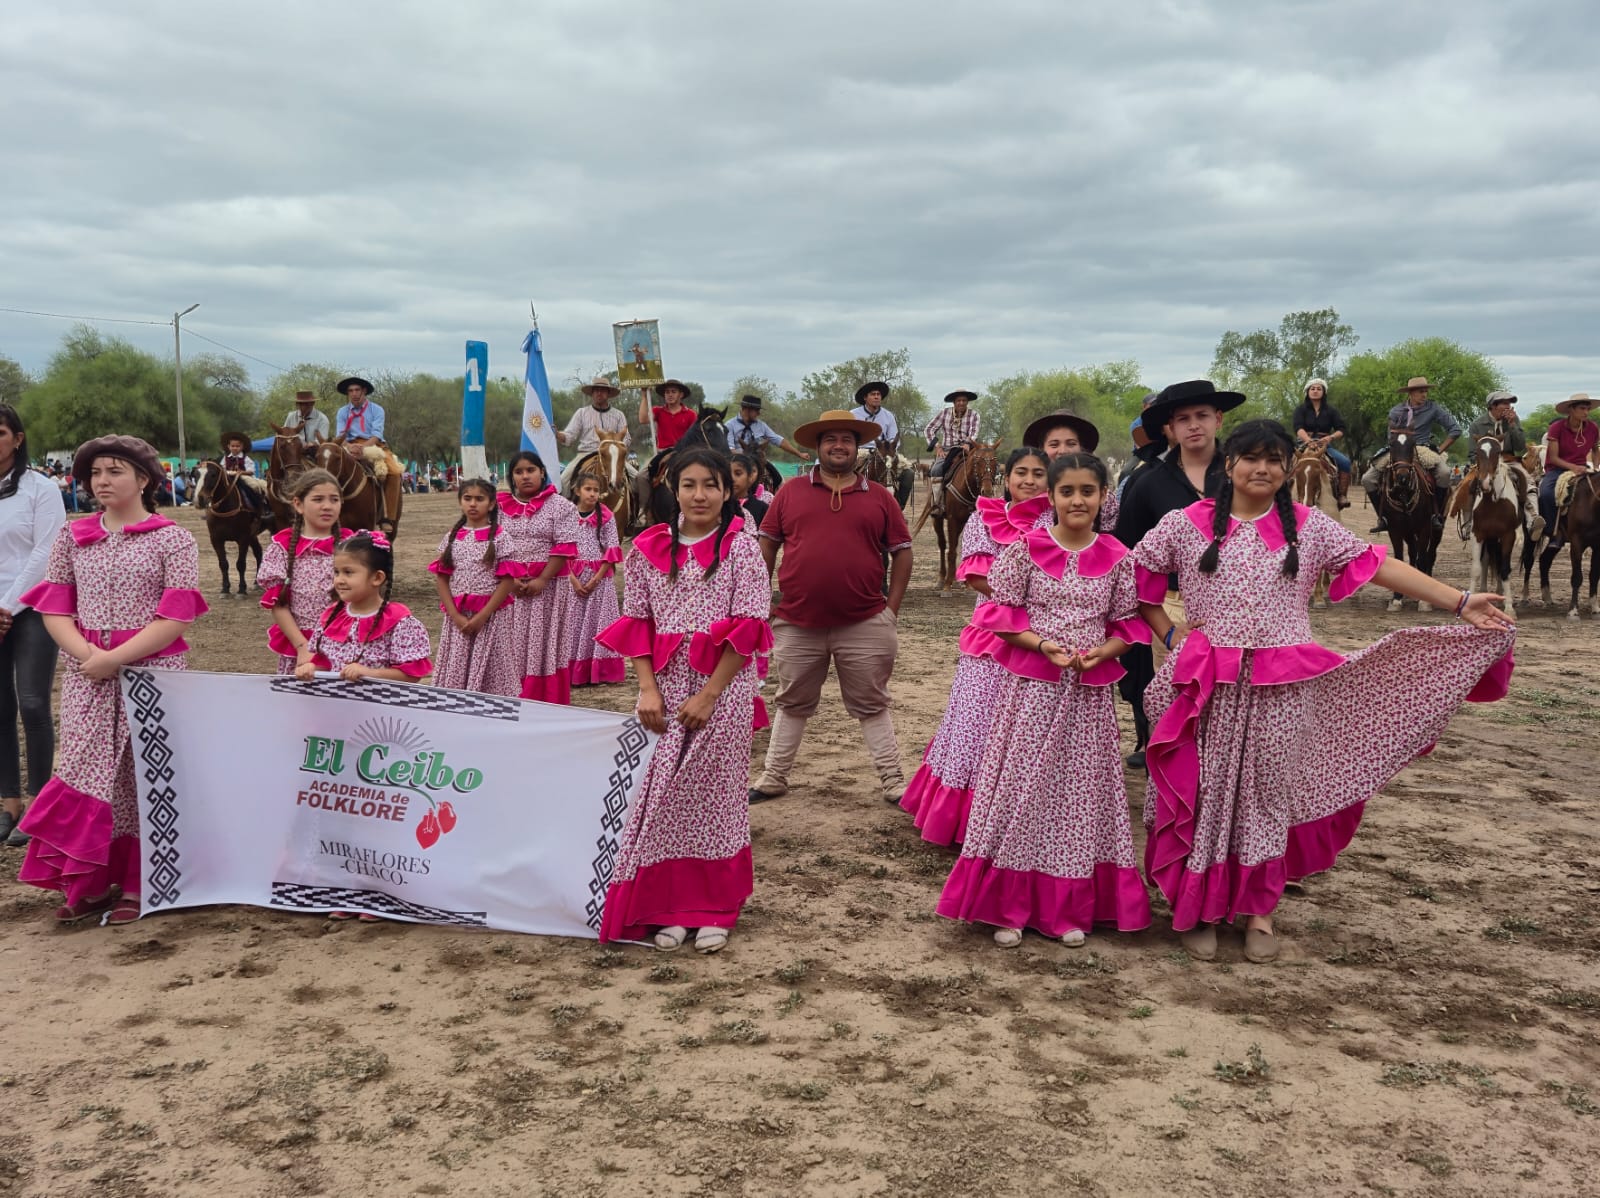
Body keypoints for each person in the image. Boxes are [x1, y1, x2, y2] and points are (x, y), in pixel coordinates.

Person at [1134, 419, 1515, 963]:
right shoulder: (1184, 524)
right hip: (1207, 685)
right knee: (1208, 790)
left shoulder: (1311, 527)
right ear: (1229, 464)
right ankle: (1200, 908)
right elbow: (1135, 582)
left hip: (1284, 687)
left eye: (1274, 459)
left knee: (1268, 792)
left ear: (1288, 468)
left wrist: (1459, 601)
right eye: (1251, 458)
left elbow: (1379, 565)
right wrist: (1172, 637)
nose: (1262, 468)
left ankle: (1259, 911)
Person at [938, 453, 1151, 947]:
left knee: (1078, 795)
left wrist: (1102, 653)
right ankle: (1007, 907)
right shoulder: (1024, 550)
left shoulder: (1119, 556)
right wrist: (1042, 646)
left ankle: (1067, 906)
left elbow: (1127, 625)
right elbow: (1000, 617)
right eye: (1067, 491)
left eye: (1088, 491)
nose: (1077, 500)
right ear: (1051, 497)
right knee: (1022, 787)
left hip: (1088, 700)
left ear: (1103, 497)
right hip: (1031, 692)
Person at [14, 435, 208, 925]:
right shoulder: (71, 536)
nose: (101, 481)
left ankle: (143, 883)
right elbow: (55, 608)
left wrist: (117, 658)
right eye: (95, 473)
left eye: (115, 471)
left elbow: (175, 617)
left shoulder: (173, 539)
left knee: (144, 774)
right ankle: (93, 881)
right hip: (88, 676)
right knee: (85, 770)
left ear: (144, 479)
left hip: (152, 677)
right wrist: (89, 657)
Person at [596, 448, 772, 953]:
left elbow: (750, 627)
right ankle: (669, 907)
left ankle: (715, 908)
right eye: (689, 484)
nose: (700, 495)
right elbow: (639, 623)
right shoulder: (647, 547)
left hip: (723, 689)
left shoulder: (742, 549)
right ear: (672, 489)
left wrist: (710, 695)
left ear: (728, 491)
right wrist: (647, 689)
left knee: (715, 799)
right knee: (662, 798)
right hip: (665, 688)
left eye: (711, 485)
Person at [750, 409, 914, 805]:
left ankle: (893, 780)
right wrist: (762, 599)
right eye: (830, 440)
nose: (838, 446)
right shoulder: (790, 492)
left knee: (872, 703)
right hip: (797, 621)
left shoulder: (881, 497)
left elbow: (902, 552)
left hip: (866, 621)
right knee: (792, 701)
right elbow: (767, 545)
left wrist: (891, 610)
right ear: (818, 446)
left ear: (857, 448)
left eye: (846, 440)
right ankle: (774, 777)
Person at [899, 447, 1050, 846]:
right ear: (1007, 478)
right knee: (976, 722)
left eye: (1038, 473)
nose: (1029, 480)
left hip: (1043, 640)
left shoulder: (1058, 520)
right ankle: (963, 817)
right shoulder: (984, 517)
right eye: (1021, 472)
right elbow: (979, 578)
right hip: (991, 637)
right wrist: (1038, 597)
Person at [1114, 380, 1241, 769]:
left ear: (1218, 419)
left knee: (1234, 703)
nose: (1194, 425)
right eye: (1183, 419)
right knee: (1177, 701)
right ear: (1170, 427)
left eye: (1202, 415)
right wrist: (1166, 629)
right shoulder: (1147, 482)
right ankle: (1175, 779)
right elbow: (1127, 553)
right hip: (1172, 606)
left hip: (1241, 604)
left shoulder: (1244, 472)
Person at [0, 404, 67, 849]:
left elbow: (46, 552)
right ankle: (9, 802)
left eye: (0, 432)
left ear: (17, 439)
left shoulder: (41, 489)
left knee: (33, 703)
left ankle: (41, 803)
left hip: (33, 608)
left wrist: (6, 606)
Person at [294, 531, 432, 684]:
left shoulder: (398, 623)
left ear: (377, 578)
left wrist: (369, 673)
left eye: (348, 572)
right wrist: (311, 668)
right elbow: (325, 663)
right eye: (337, 572)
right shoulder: (332, 616)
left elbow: (411, 675)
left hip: (380, 699)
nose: (339, 580)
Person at [497, 451, 579, 703]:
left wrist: (542, 579)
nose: (525, 476)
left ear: (542, 472)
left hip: (549, 587)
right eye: (518, 472)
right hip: (508, 589)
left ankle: (544, 698)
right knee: (510, 641)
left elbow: (564, 546)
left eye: (531, 470)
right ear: (511, 477)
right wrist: (510, 581)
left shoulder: (562, 506)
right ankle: (509, 694)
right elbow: (493, 545)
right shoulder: (498, 508)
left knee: (543, 642)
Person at [430, 479, 520, 696]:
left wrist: (483, 616)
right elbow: (442, 579)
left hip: (491, 618)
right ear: (460, 502)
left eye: (479, 499)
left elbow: (508, 581)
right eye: (467, 498)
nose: (473, 504)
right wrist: (455, 615)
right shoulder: (452, 537)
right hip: (458, 617)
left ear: (491, 504)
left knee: (493, 666)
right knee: (457, 663)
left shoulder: (500, 537)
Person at [258, 468, 349, 676]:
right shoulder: (281, 547)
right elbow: (279, 604)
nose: (327, 506)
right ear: (298, 504)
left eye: (334, 499)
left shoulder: (352, 545)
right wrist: (302, 646)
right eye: (318, 499)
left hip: (345, 643)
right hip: (301, 645)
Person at [1361, 376, 1461, 532]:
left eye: (1426, 391)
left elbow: (1455, 429)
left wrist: (1440, 449)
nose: (1424, 395)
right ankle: (1384, 518)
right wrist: (1399, 448)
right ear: (1411, 393)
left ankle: (1436, 515)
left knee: (1444, 473)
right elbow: (1391, 436)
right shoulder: (1396, 411)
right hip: (1400, 449)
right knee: (1367, 479)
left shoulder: (1433, 408)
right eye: (1421, 392)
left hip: (1423, 448)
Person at [1448, 391, 1543, 537]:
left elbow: (1520, 447)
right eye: (1504, 403)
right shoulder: (1477, 424)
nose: (1508, 406)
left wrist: (1512, 425)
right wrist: (1483, 465)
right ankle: (1468, 524)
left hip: (1509, 461)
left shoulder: (1513, 420)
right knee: (1467, 485)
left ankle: (1533, 520)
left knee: (1529, 482)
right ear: (1493, 405)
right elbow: (1472, 453)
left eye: (1509, 403)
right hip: (1485, 464)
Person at [566, 472, 625, 687]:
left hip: (599, 581)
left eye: (596, 490)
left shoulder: (607, 516)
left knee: (597, 624)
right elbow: (560, 550)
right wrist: (573, 580)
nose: (592, 494)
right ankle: (572, 670)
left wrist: (596, 579)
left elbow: (612, 549)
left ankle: (599, 670)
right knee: (573, 624)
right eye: (588, 489)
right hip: (572, 578)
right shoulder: (566, 515)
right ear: (577, 490)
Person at [334, 377, 404, 533]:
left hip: (374, 445)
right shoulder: (342, 412)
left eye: (357, 390)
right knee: (330, 468)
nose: (354, 394)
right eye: (350, 391)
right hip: (348, 445)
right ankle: (332, 513)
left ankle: (387, 518)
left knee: (394, 473)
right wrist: (350, 447)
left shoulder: (377, 410)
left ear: (364, 391)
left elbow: (376, 434)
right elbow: (340, 435)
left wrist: (363, 447)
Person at [1538, 393, 1598, 545]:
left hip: (1583, 468)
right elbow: (1553, 457)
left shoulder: (1592, 427)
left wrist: (1596, 467)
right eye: (1582, 408)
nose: (1586, 412)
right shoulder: (1556, 427)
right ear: (1571, 409)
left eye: (1588, 409)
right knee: (1545, 494)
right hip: (1557, 469)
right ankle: (1553, 532)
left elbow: (1595, 449)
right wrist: (1573, 467)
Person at [558, 377, 631, 493]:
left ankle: (640, 504)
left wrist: (615, 448)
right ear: (592, 393)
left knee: (637, 477)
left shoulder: (618, 415)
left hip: (613, 456)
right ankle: (565, 504)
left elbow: (626, 438)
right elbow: (569, 436)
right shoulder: (582, 413)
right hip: (586, 453)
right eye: (596, 390)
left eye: (602, 390)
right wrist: (557, 434)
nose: (599, 393)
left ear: (608, 393)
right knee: (563, 480)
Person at [1290, 378, 1352, 508]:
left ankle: (1341, 495)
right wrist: (1308, 440)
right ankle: (1279, 494)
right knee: (1283, 462)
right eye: (1312, 389)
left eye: (1319, 389)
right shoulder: (1300, 410)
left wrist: (1331, 437)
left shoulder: (1331, 411)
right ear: (1307, 392)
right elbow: (1298, 428)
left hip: (1324, 445)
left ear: (1324, 392)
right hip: (1303, 444)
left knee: (1345, 462)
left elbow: (1341, 429)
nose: (1315, 391)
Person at [925, 390, 983, 515]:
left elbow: (974, 431)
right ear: (954, 402)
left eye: (964, 400)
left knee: (984, 467)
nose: (961, 403)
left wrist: (967, 443)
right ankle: (937, 503)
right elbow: (929, 429)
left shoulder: (974, 415)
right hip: (947, 450)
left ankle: (986, 501)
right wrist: (937, 446)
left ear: (967, 402)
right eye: (958, 400)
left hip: (967, 448)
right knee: (936, 470)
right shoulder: (944, 413)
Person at [725, 396, 810, 469]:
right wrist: (749, 454)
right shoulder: (729, 425)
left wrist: (799, 454)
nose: (759, 413)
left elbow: (778, 440)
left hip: (758, 461)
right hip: (737, 461)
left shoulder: (761, 425)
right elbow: (730, 450)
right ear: (747, 409)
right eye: (757, 410)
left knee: (777, 477)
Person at [637, 378, 698, 458]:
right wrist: (644, 397)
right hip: (663, 453)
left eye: (673, 392)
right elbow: (643, 419)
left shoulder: (691, 414)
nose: (670, 395)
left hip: (683, 454)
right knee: (648, 466)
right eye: (667, 392)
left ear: (681, 395)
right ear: (664, 395)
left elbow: (696, 436)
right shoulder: (658, 411)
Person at [219, 432, 268, 516]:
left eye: (237, 446)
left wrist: (241, 472)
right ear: (228, 446)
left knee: (255, 486)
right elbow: (221, 468)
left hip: (243, 477)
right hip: (228, 477)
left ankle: (261, 504)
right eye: (233, 446)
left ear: (242, 447)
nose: (235, 448)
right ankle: (212, 506)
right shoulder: (225, 458)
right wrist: (227, 472)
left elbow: (251, 471)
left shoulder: (246, 458)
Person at [850, 381, 899, 446]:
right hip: (859, 449)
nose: (876, 397)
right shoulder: (853, 415)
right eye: (873, 394)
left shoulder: (889, 416)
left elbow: (893, 438)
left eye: (878, 394)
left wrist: (890, 447)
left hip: (881, 450)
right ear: (865, 398)